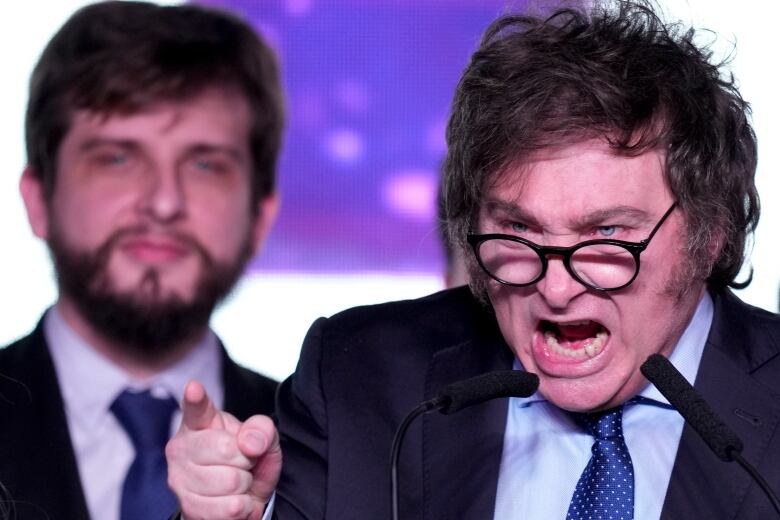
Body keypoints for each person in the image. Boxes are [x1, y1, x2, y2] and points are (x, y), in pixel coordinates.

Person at [166, 1, 780, 518]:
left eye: (608, 236)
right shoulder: (361, 377)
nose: (559, 289)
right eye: (517, 230)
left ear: (710, 229)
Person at [0, 2, 284, 519]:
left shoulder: (327, 447)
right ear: (38, 198)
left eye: (205, 164)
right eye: (117, 157)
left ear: (260, 217)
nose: (163, 202)